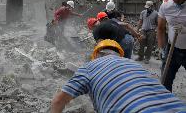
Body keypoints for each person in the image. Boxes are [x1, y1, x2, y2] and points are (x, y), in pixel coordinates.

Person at [51, 39, 186, 113]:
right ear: (119, 54)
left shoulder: (89, 67)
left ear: (96, 55)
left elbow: (59, 101)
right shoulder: (134, 64)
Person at [157, 0, 186, 92]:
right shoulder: (166, 6)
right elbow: (160, 28)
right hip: (172, 49)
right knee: (165, 81)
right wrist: (161, 48)